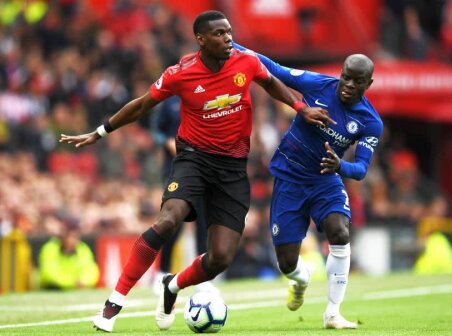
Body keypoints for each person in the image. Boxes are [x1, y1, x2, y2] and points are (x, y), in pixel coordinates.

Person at [59, 10, 332, 333]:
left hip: (232, 169)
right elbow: (143, 104)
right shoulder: (181, 73)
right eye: (219, 34)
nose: (228, 38)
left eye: (229, 32)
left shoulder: (245, 61)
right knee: (167, 220)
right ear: (201, 39)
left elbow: (272, 83)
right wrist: (100, 132)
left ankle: (171, 286)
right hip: (194, 160)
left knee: (219, 258)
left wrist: (301, 108)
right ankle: (113, 303)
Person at [233, 42, 383, 329]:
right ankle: (301, 279)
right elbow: (274, 68)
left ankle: (333, 313)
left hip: (325, 179)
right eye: (346, 77)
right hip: (289, 176)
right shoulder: (317, 85)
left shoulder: (370, 121)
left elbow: (362, 169)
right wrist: (234, 46)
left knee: (340, 231)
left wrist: (341, 167)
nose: (349, 85)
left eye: (357, 81)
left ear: (369, 83)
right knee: (287, 263)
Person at [149, 96, 217, 295]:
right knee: (172, 224)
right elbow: (156, 131)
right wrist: (168, 141)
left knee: (204, 223)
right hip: (175, 169)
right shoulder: (168, 102)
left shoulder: (206, 98)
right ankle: (162, 273)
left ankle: (202, 277)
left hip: (202, 168)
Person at [38, 219, 99, 290]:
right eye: (69, 235)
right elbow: (49, 274)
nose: (72, 239)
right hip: (55, 289)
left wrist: (83, 282)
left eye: (75, 235)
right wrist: (73, 282)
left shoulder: (83, 249)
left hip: (78, 289)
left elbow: (91, 270)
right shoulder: (50, 248)